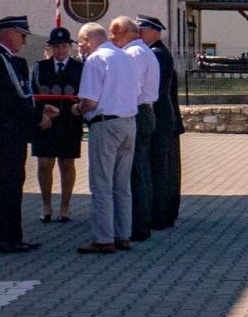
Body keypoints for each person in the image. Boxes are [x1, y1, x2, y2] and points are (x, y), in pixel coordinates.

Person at [0, 15, 58, 252]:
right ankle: (3, 237)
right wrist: (38, 118)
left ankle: (9, 236)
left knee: (12, 185)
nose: (25, 41)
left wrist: (39, 108)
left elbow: (20, 96)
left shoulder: (6, 59)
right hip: (1, 134)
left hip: (8, 133)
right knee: (8, 187)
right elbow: (8, 99)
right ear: (8, 33)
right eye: (22, 35)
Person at [73, 22, 139, 254]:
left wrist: (77, 109)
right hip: (129, 122)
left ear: (89, 40)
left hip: (105, 124)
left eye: (82, 43)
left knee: (101, 184)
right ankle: (123, 235)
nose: (81, 48)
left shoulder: (95, 60)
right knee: (122, 185)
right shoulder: (126, 57)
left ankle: (103, 238)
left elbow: (90, 101)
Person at [111, 17, 160, 244]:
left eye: (115, 34)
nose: (113, 39)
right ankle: (140, 222)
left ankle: (137, 225)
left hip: (137, 111)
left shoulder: (134, 54)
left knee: (136, 171)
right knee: (139, 169)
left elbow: (133, 86)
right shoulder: (141, 51)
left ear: (128, 33)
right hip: (143, 111)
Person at [32, 26, 84, 224]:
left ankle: (65, 207)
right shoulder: (41, 67)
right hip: (47, 122)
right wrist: (44, 109)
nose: (60, 50)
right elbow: (35, 93)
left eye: (63, 46)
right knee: (45, 163)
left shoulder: (78, 68)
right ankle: (46, 205)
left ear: (69, 47)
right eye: (56, 47)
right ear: (51, 48)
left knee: (66, 163)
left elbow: (83, 93)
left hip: (69, 122)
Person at [138, 15, 182, 229]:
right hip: (165, 118)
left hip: (160, 118)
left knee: (160, 169)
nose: (139, 34)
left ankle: (160, 215)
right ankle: (164, 213)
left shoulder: (156, 54)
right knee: (165, 169)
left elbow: (156, 91)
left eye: (142, 30)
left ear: (155, 31)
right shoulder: (157, 53)